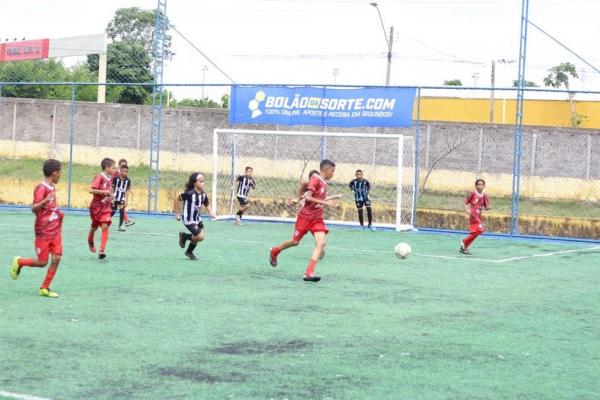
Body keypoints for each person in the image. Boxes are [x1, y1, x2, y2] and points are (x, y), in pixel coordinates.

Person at [269, 160, 339, 282]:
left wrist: (328, 200)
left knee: (321, 243)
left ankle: (309, 272)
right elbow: (307, 196)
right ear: (326, 170)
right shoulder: (315, 178)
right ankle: (274, 251)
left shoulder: (323, 182)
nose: (333, 174)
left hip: (317, 218)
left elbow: (308, 191)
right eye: (332, 171)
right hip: (305, 217)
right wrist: (300, 199)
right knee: (295, 242)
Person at [10, 159, 64, 298]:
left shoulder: (52, 186)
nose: (61, 175)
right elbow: (34, 208)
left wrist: (57, 213)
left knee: (57, 258)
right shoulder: (41, 188)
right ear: (54, 173)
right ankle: (20, 262)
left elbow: (50, 207)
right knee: (42, 262)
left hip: (55, 230)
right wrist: (45, 201)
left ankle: (44, 288)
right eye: (60, 172)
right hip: (43, 231)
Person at [174, 172, 216, 260]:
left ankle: (189, 251)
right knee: (200, 236)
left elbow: (207, 204)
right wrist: (177, 214)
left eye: (203, 181)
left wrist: (211, 212)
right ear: (194, 183)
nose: (203, 183)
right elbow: (176, 199)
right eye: (200, 181)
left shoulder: (203, 194)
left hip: (197, 219)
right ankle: (184, 236)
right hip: (188, 219)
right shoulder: (189, 194)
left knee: (197, 236)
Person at [88, 158, 116, 259]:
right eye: (113, 168)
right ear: (106, 168)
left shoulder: (110, 179)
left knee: (105, 226)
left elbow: (109, 192)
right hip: (96, 207)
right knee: (94, 227)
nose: (114, 169)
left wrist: (112, 196)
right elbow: (90, 190)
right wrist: (104, 192)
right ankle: (90, 239)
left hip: (106, 207)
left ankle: (101, 250)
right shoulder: (99, 177)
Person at [460, 178, 490, 254]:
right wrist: (467, 210)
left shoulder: (484, 196)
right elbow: (465, 203)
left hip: (478, 216)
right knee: (480, 230)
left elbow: (486, 207)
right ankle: (464, 241)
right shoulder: (472, 194)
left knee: (476, 232)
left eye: (482, 185)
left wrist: (488, 208)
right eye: (478, 184)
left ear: (484, 186)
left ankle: (464, 247)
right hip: (473, 215)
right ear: (476, 186)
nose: (480, 186)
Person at [113, 158, 134, 227]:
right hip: (113, 193)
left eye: (125, 165)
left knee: (121, 207)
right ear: (119, 166)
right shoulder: (116, 172)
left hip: (119, 195)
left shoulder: (125, 175)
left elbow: (126, 185)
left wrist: (129, 191)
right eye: (122, 165)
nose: (124, 167)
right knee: (112, 209)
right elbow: (112, 181)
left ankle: (126, 221)